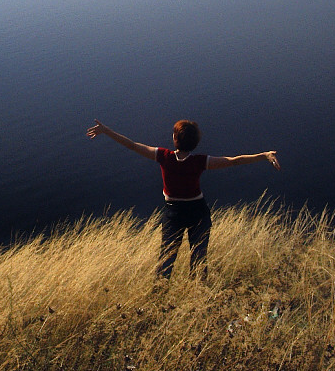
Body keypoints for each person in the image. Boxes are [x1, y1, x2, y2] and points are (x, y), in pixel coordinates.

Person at [86, 119, 280, 280]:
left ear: (174, 139)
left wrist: (107, 131)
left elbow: (133, 146)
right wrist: (264, 155)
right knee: (198, 260)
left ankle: (160, 299)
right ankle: (198, 297)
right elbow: (234, 160)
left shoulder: (164, 156)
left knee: (166, 261)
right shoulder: (199, 162)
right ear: (195, 142)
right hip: (198, 212)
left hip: (173, 214)